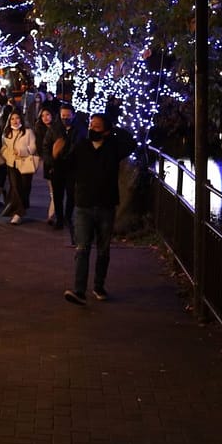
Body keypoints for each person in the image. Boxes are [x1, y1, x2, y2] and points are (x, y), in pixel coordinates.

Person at [64, 114, 137, 306]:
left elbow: (131, 143)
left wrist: (114, 130)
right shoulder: (82, 146)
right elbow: (68, 165)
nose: (92, 129)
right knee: (82, 248)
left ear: (105, 130)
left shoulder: (113, 148)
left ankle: (99, 286)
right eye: (91, 125)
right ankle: (79, 290)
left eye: (97, 126)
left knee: (103, 250)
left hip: (106, 205)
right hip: (84, 205)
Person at [44, 103, 86, 240]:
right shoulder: (54, 129)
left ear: (73, 115)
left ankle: (68, 217)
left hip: (73, 168)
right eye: (63, 115)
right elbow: (46, 146)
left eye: (68, 115)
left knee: (71, 194)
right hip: (57, 167)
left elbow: (82, 147)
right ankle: (60, 218)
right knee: (57, 195)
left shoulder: (79, 129)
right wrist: (51, 160)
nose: (65, 118)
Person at [0, 112, 40, 225]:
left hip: (25, 164)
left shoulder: (28, 132)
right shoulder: (7, 133)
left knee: (24, 187)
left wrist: (22, 151)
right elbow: (3, 147)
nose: (15, 121)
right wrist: (7, 155)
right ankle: (18, 213)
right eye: (12, 119)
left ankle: (19, 210)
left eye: (17, 118)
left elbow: (33, 147)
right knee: (15, 187)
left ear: (21, 119)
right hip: (11, 164)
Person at [34, 108, 57, 224]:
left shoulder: (58, 129)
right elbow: (40, 148)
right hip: (48, 163)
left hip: (61, 162)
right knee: (53, 190)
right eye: (43, 116)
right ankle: (52, 215)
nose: (45, 118)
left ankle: (53, 214)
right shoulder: (39, 130)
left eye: (47, 114)